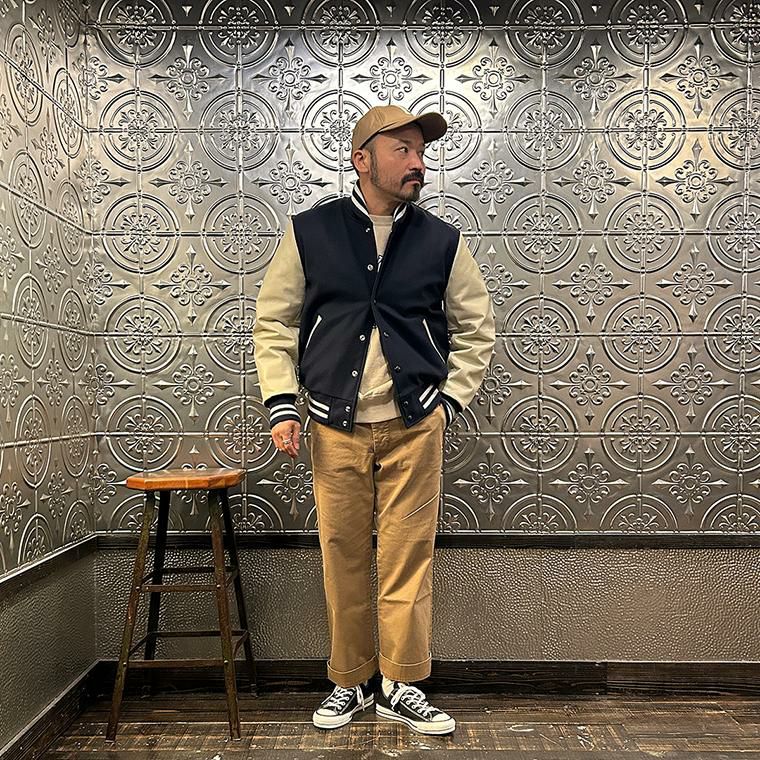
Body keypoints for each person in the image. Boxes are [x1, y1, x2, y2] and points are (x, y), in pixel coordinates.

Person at [252, 104, 495, 736]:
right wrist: (282, 403)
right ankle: (352, 680)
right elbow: (274, 323)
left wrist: (449, 402)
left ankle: (401, 683)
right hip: (334, 425)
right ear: (363, 159)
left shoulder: (443, 241)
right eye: (403, 150)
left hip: (415, 426)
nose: (419, 163)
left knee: (409, 558)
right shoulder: (310, 233)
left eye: (421, 151)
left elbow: (476, 329)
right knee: (342, 555)